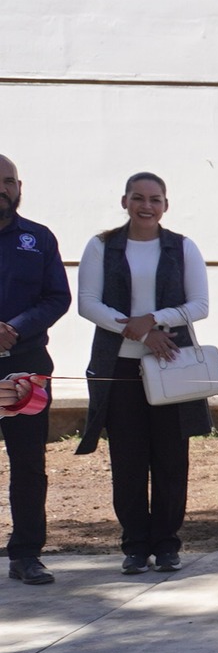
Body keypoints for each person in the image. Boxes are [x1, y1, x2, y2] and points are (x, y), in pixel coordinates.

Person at [76, 172, 211, 574]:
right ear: (125, 202)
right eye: (138, 198)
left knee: (172, 458)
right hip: (118, 366)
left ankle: (168, 544)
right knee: (128, 459)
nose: (146, 206)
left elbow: (200, 305)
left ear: (165, 205)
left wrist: (155, 322)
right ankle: (134, 545)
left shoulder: (182, 247)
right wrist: (134, 329)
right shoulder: (101, 246)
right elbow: (87, 303)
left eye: (155, 199)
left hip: (171, 363)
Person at [0, 154, 70, 586]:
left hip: (25, 369)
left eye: (8, 182)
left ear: (19, 187)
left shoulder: (39, 239)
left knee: (28, 464)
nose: (2, 189)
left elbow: (56, 297)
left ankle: (27, 554)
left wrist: (13, 329)